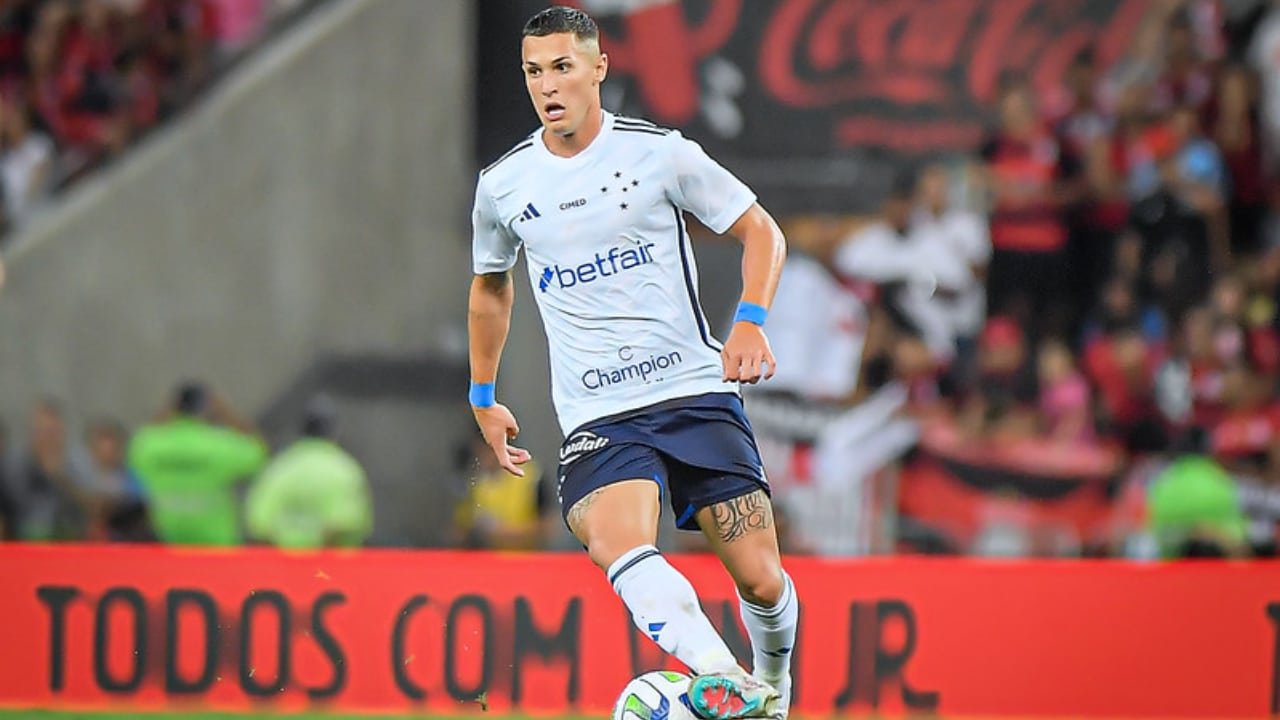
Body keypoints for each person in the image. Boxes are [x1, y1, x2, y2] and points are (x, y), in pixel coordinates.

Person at [468, 7, 794, 719]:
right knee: (615, 542)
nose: (547, 85)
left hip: (694, 393)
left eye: (561, 66)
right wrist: (483, 392)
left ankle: (774, 696)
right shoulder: (504, 185)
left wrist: (750, 322)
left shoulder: (660, 154)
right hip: (598, 414)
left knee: (763, 582)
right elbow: (491, 287)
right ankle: (722, 676)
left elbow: (760, 232)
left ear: (598, 67)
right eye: (533, 71)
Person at [129, 381, 267, 546]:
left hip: (166, 538)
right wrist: (229, 415)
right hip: (215, 541)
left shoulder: (152, 444)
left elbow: (135, 449)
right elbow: (258, 453)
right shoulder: (220, 443)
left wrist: (164, 414)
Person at [245, 397, 372, 549]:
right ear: (334, 431)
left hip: (284, 566)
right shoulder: (344, 470)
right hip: (331, 569)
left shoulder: (279, 467)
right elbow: (345, 525)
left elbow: (259, 524)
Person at [451, 430, 553, 550]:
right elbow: (461, 526)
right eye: (477, 453)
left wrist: (504, 532)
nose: (480, 458)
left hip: (527, 561)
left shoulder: (532, 476)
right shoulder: (477, 482)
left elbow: (549, 526)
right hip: (490, 562)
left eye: (484, 451)